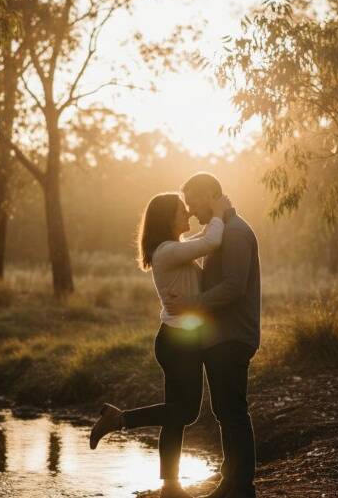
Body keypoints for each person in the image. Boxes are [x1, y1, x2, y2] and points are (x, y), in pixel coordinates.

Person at [90, 190, 232, 498]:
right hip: (178, 343)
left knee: (174, 414)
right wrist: (219, 212)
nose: (188, 215)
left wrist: (213, 219)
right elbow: (210, 242)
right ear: (168, 218)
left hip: (179, 339)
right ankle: (119, 419)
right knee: (186, 413)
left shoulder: (173, 248)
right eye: (182, 210)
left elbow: (202, 240)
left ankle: (170, 487)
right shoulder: (167, 251)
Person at [167, 172, 261, 498]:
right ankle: (231, 483)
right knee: (225, 411)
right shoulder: (219, 231)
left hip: (232, 337)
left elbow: (234, 287)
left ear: (210, 195)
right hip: (220, 337)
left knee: (232, 411)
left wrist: (192, 305)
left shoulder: (235, 233)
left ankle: (241, 487)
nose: (190, 210)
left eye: (192, 200)